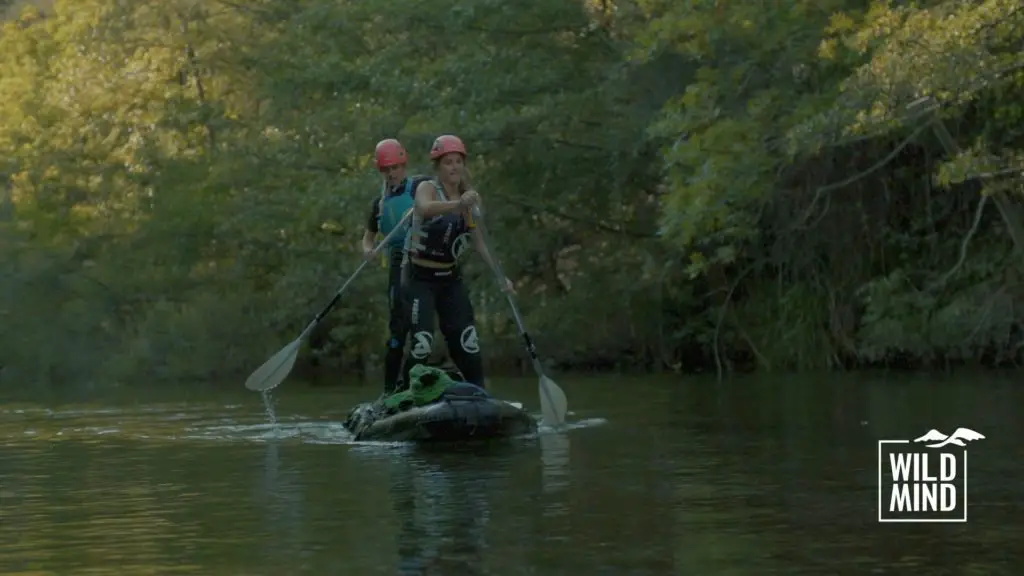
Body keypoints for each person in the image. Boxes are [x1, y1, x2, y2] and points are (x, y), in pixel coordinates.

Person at [400, 134, 513, 389]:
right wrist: (456, 204)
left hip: (450, 279)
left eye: (458, 162)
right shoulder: (428, 188)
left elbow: (479, 242)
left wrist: (500, 275)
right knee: (423, 342)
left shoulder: (469, 199)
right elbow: (424, 207)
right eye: (448, 162)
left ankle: (479, 392)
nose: (454, 167)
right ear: (438, 167)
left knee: (467, 339)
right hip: (420, 279)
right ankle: (402, 393)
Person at [361, 138, 432, 393]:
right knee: (396, 332)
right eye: (386, 170)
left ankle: (414, 385)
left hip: (422, 259)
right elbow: (368, 237)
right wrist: (368, 251)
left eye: (395, 168)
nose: (392, 174)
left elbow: (443, 200)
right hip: (396, 263)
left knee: (420, 330)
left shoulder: (420, 186)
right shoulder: (378, 205)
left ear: (403, 165)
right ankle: (389, 391)